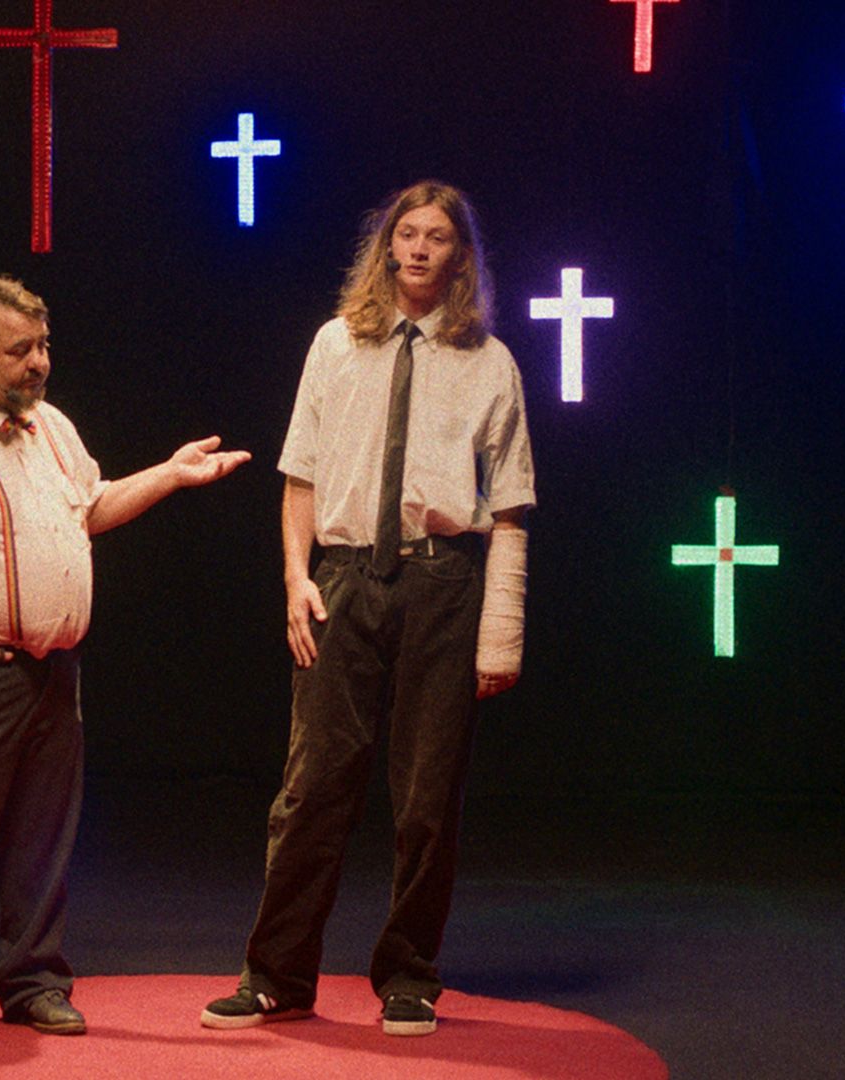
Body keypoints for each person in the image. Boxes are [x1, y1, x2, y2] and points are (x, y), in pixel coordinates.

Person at [0, 276, 249, 1047]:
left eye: (44, 346)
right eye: (20, 350)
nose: (39, 363)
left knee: (43, 843)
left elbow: (91, 506)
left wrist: (171, 475)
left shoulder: (50, 427)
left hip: (51, 676)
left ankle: (34, 982)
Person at [201, 181, 535, 1037]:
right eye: (406, 234)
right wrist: (294, 579)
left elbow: (511, 509)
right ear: (386, 247)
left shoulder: (489, 362)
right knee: (312, 786)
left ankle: (409, 974)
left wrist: (502, 630)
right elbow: (300, 475)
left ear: (461, 257)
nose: (419, 249)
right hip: (342, 582)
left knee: (426, 796)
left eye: (437, 238)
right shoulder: (334, 346)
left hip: (442, 585)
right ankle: (276, 974)